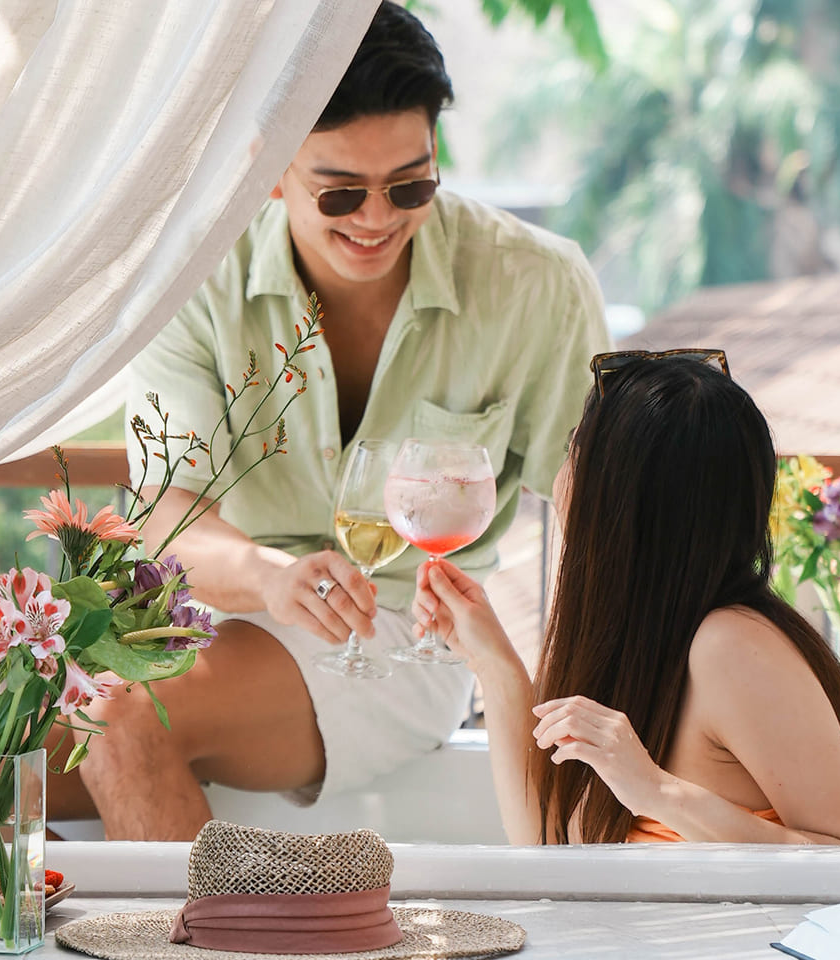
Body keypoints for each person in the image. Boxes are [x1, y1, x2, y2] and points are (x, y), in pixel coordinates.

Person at [48, 2, 611, 840]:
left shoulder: (535, 283)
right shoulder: (195, 274)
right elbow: (167, 516)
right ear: (266, 167)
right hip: (216, 618)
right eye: (341, 192)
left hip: (406, 636)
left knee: (119, 711)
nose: (378, 219)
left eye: (410, 184)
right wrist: (269, 575)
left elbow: (600, 508)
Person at [414, 352, 840, 845]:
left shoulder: (731, 646)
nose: (560, 483)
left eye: (573, 456)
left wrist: (658, 791)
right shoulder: (635, 645)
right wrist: (493, 663)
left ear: (621, 504)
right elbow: (543, 846)